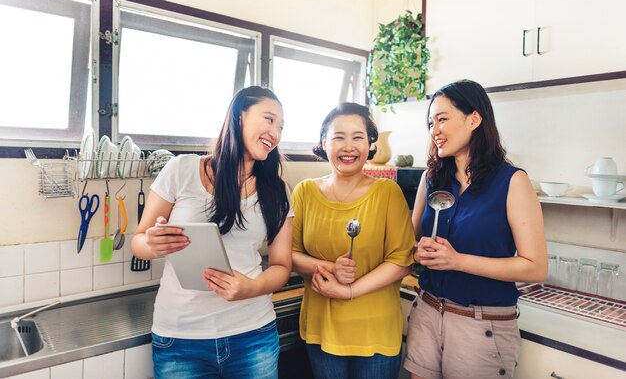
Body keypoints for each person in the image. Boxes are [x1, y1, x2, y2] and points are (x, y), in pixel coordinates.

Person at [131, 86, 293, 379]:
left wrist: (251, 288)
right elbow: (138, 241)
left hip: (253, 334)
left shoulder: (277, 190)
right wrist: (153, 244)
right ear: (239, 115)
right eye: (269, 119)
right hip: (180, 338)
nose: (276, 133)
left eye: (281, 126)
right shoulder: (181, 170)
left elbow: (282, 265)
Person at [404, 79, 547, 379]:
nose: (434, 131)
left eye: (442, 119)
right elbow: (411, 242)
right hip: (428, 311)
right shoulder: (432, 178)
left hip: (481, 324)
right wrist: (418, 251)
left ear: (475, 118)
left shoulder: (512, 181)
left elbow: (535, 268)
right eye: (431, 123)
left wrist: (458, 261)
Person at [291, 102, 415, 379]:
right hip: (322, 329)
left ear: (370, 144)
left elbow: (401, 261)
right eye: (339, 137)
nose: (348, 146)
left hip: (376, 331)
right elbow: (290, 255)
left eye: (358, 137)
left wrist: (350, 290)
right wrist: (330, 267)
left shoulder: (387, 193)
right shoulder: (304, 192)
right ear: (324, 143)